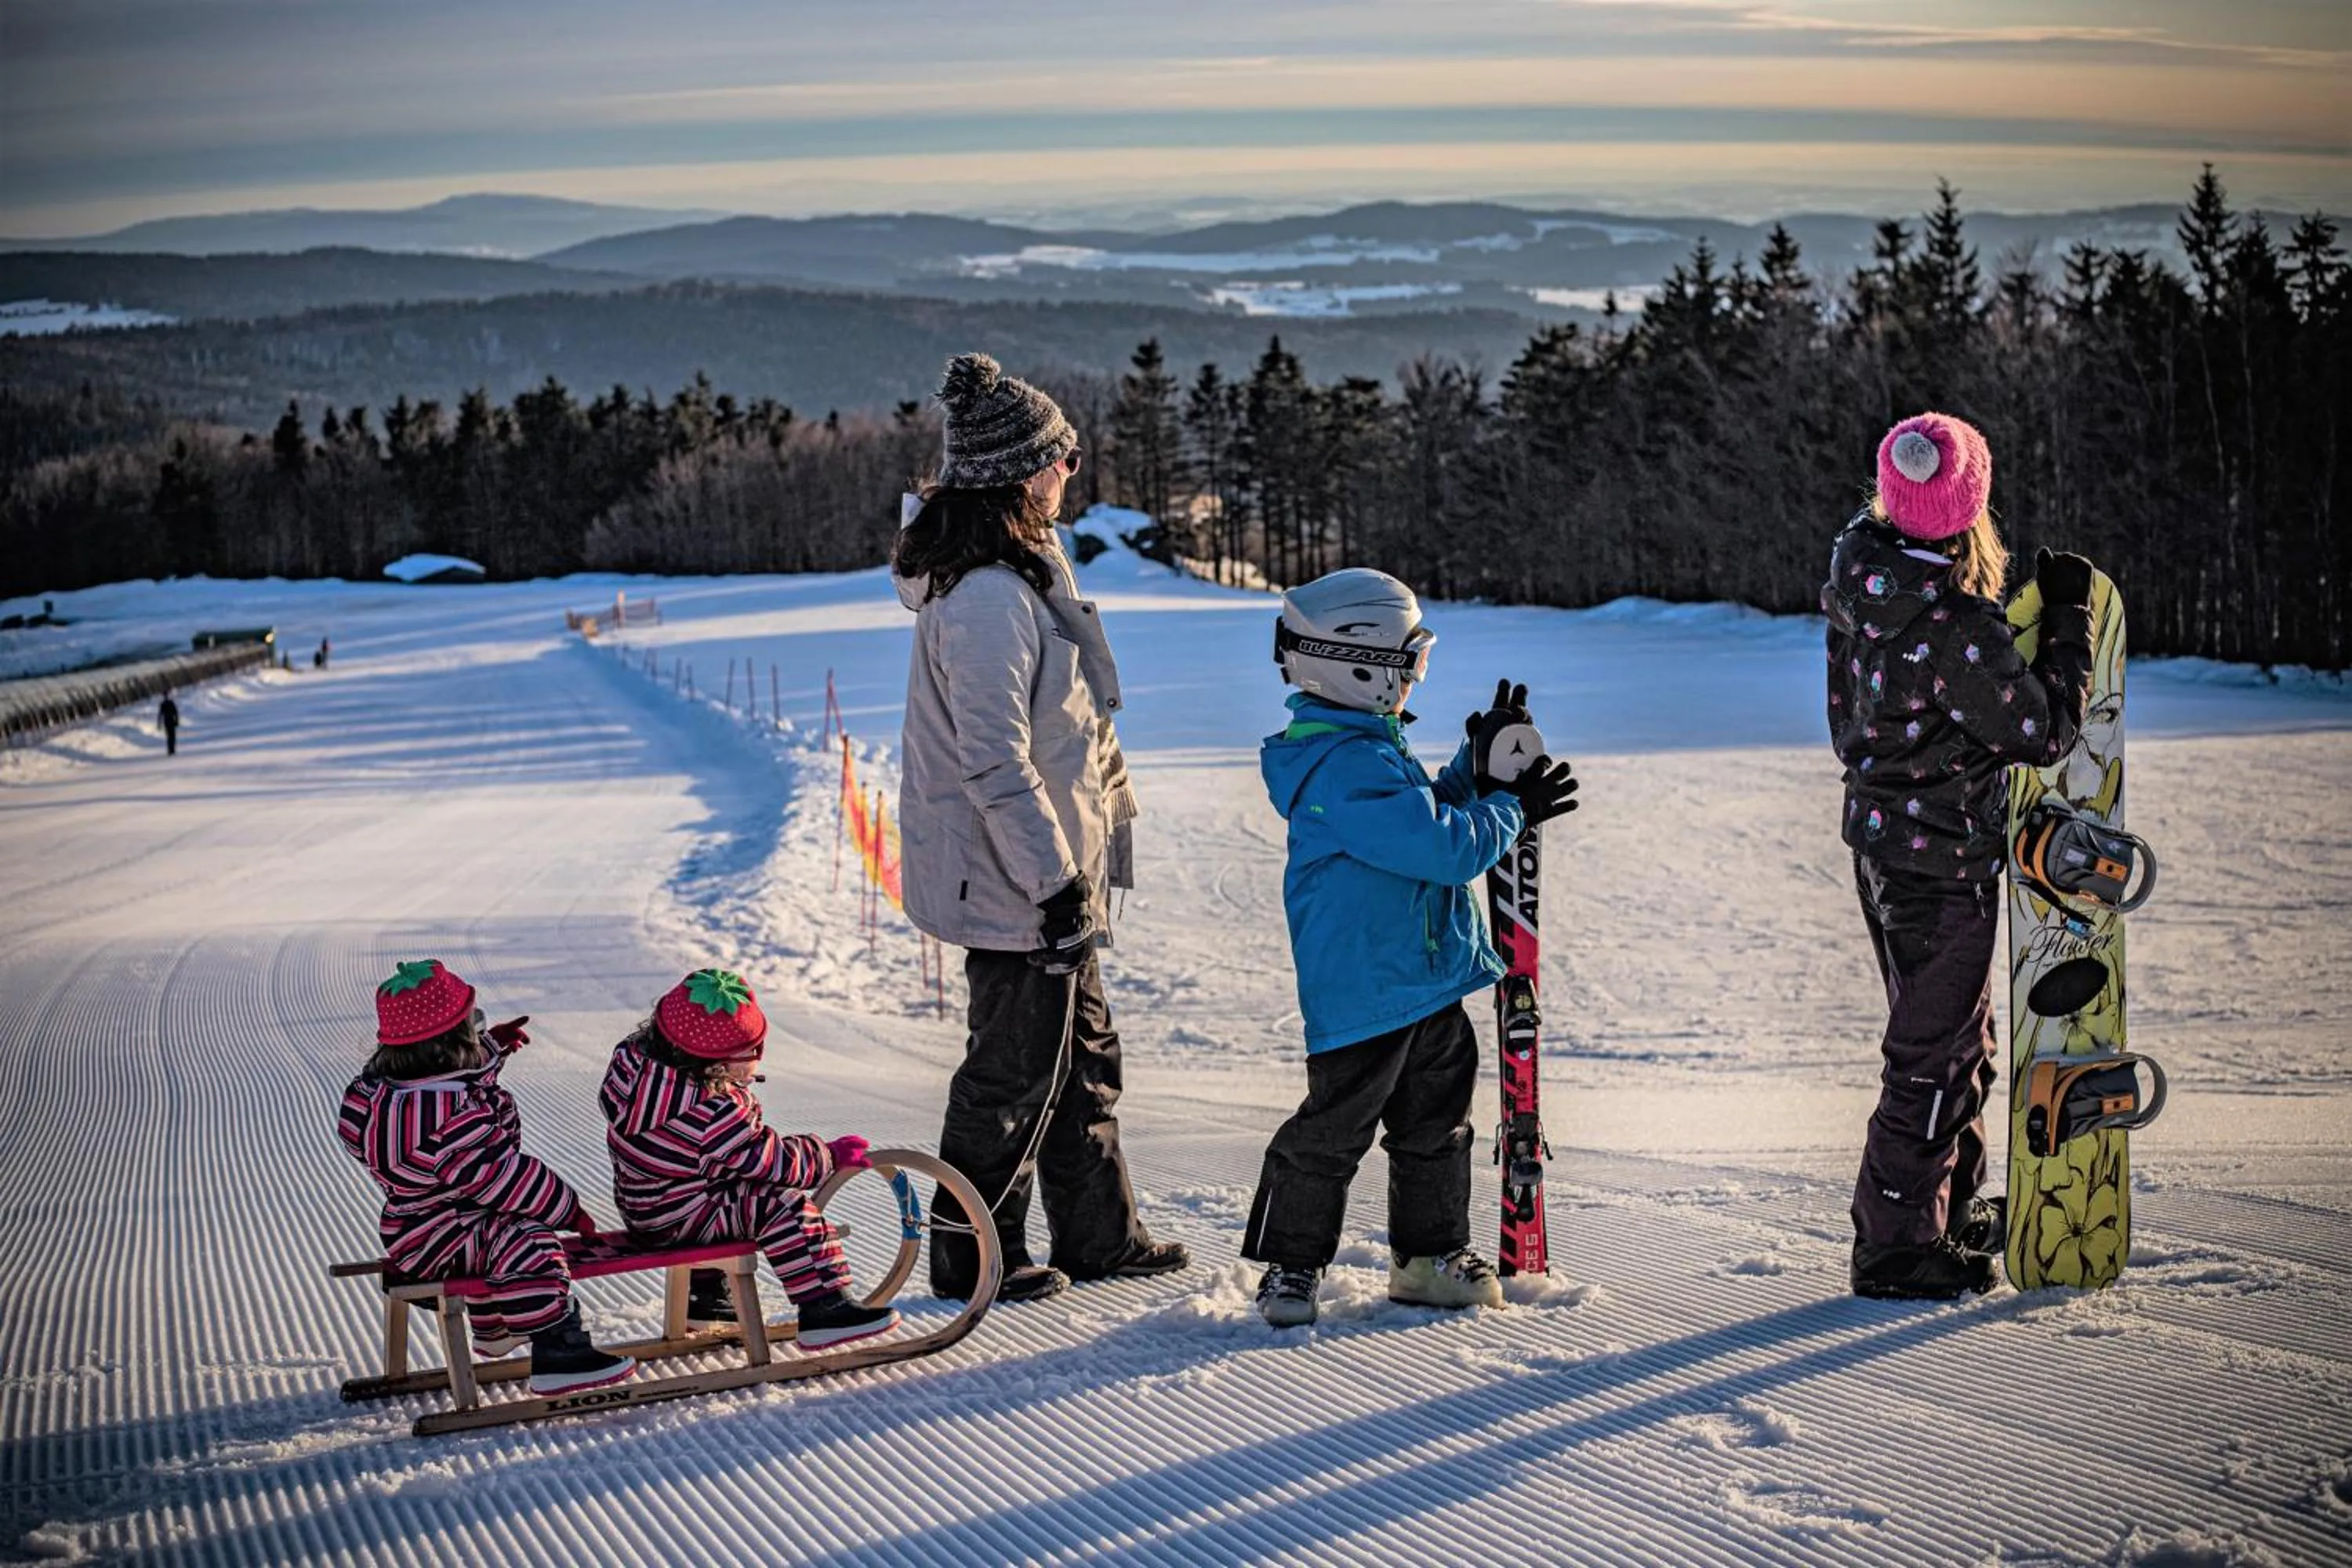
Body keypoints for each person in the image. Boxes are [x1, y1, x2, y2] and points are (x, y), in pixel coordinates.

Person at [893, 351, 1189, 1305]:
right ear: (1023, 472)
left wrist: (1088, 864)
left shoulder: (1027, 567)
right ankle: (972, 1253)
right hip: (1016, 880)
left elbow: (1075, 730)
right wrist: (1056, 885)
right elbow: (993, 760)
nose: (1072, 470)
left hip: (1051, 874)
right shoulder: (987, 599)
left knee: (1083, 1061)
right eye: (1062, 456)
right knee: (1012, 1073)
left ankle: (1100, 1234)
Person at [1243, 569, 1581, 1327]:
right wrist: (1511, 809)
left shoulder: (1366, 748)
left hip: (1424, 983)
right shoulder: (1341, 766)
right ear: (1360, 666)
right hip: (1366, 996)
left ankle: (1428, 1258)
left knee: (1437, 1130)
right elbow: (1443, 848)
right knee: (1332, 1133)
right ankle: (1290, 1265)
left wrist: (1475, 768)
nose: (1415, 679)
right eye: (1411, 662)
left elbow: (1424, 814)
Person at [1824, 412, 2096, 1301]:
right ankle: (1895, 1248)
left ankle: (1943, 1207)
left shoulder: (1860, 578)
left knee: (1960, 1045)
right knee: (1933, 1058)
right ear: (1970, 509)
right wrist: (2067, 627)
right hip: (1940, 869)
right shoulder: (1952, 627)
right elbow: (2039, 731)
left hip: (1882, 849)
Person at [337, 960, 635, 1395]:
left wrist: (493, 1047)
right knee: (527, 1240)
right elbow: (509, 1178)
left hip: (416, 1229)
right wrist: (569, 1211)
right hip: (444, 1237)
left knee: (496, 1232)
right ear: (455, 1043)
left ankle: (495, 1328)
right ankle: (559, 1352)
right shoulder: (451, 1122)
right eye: (473, 1028)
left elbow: (453, 1081)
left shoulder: (380, 1094)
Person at [599, 969, 898, 1348]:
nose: (756, 1059)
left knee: (719, 1180)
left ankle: (706, 1298)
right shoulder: (713, 1110)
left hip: (646, 1208)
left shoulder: (634, 1069)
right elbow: (771, 1162)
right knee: (782, 1204)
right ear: (716, 1065)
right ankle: (825, 1307)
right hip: (683, 1220)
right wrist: (826, 1155)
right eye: (751, 1052)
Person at [158, 690, 180, 756]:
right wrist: (177, 721)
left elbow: (160, 714)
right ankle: (172, 749)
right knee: (172, 736)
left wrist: (159, 724)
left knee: (169, 736)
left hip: (167, 721)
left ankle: (170, 750)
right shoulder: (171, 703)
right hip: (171, 721)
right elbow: (176, 712)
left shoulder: (163, 704)